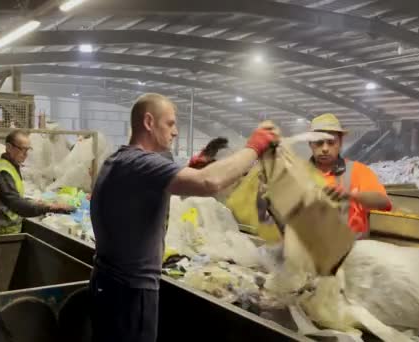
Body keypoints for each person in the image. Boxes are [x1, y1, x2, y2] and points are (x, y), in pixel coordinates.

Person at [89, 93, 279, 342]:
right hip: (132, 293)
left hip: (107, 283)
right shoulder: (140, 163)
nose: (176, 131)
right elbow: (210, 182)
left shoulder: (117, 160)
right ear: (148, 122)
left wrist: (189, 169)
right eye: (170, 123)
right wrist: (255, 146)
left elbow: (172, 187)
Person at [308, 113, 392, 238]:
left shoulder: (357, 171)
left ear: (340, 143)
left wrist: (351, 195)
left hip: (353, 250)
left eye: (331, 142)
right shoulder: (296, 173)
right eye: (319, 143)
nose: (325, 148)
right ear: (310, 144)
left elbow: (383, 201)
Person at [0, 130, 74, 235]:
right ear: (9, 147)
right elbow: (16, 204)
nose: (26, 154)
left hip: (7, 230)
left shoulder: (9, 166)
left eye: (28, 150)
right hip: (1, 233)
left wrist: (35, 202)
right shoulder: (3, 172)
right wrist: (50, 207)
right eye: (22, 149)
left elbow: (13, 196)